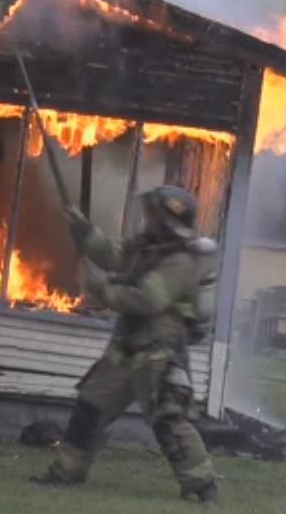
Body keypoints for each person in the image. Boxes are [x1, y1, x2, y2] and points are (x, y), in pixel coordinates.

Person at [31, 185, 220, 504]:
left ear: (166, 220)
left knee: (169, 421)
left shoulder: (181, 261)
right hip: (125, 351)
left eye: (152, 214)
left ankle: (202, 486)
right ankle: (66, 472)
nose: (147, 219)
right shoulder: (147, 247)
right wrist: (84, 230)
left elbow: (148, 299)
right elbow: (112, 254)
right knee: (90, 408)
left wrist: (102, 290)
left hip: (158, 356)